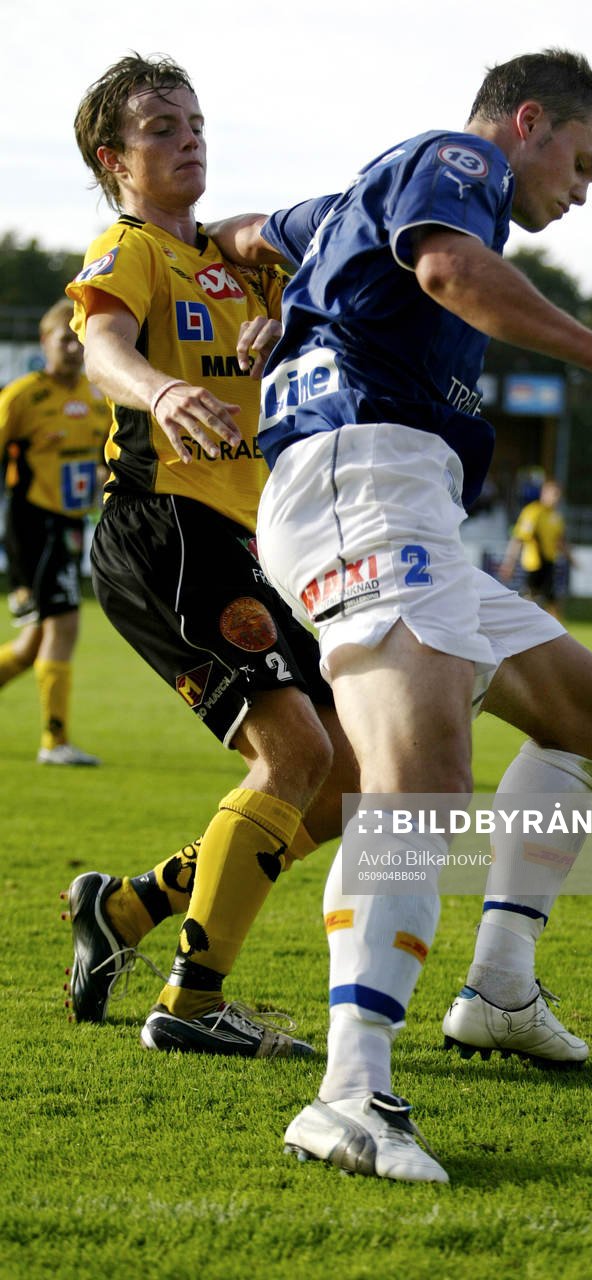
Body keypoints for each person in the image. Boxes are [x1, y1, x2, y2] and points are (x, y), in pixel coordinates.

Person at [214, 47, 592, 1182]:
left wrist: (265, 292)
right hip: (361, 481)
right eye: (583, 163)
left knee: (585, 710)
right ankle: (350, 1093)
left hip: (407, 503)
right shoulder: (459, 166)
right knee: (418, 779)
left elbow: (253, 232)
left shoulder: (362, 195)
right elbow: (450, 270)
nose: (583, 190)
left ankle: (498, 985)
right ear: (527, 121)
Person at [62, 53, 357, 1059]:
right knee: (298, 754)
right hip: (166, 528)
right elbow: (100, 348)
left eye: (194, 120)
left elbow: (321, 315)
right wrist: (156, 388)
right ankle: (191, 1005)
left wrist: (287, 324)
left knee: (347, 776)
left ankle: (134, 911)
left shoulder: (241, 266)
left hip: (251, 542)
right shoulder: (130, 246)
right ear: (115, 159)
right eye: (159, 128)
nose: (188, 137)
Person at [0, 300, 110, 765]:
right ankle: (54, 742)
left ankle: (55, 740)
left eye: (79, 338)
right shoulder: (24, 396)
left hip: (70, 526)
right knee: (63, 626)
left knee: (30, 646)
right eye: (63, 338)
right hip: (33, 526)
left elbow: (107, 460)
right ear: (44, 342)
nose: (72, 346)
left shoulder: (97, 395)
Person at [499, 478, 574, 617]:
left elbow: (560, 541)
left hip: (550, 563)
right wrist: (509, 563)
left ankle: (554, 632)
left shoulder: (556, 517)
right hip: (533, 564)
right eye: (554, 494)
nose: (556, 498)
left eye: (558, 495)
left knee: (552, 601)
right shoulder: (532, 512)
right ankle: (524, 628)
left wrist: (571, 559)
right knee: (530, 600)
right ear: (543, 494)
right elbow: (518, 539)